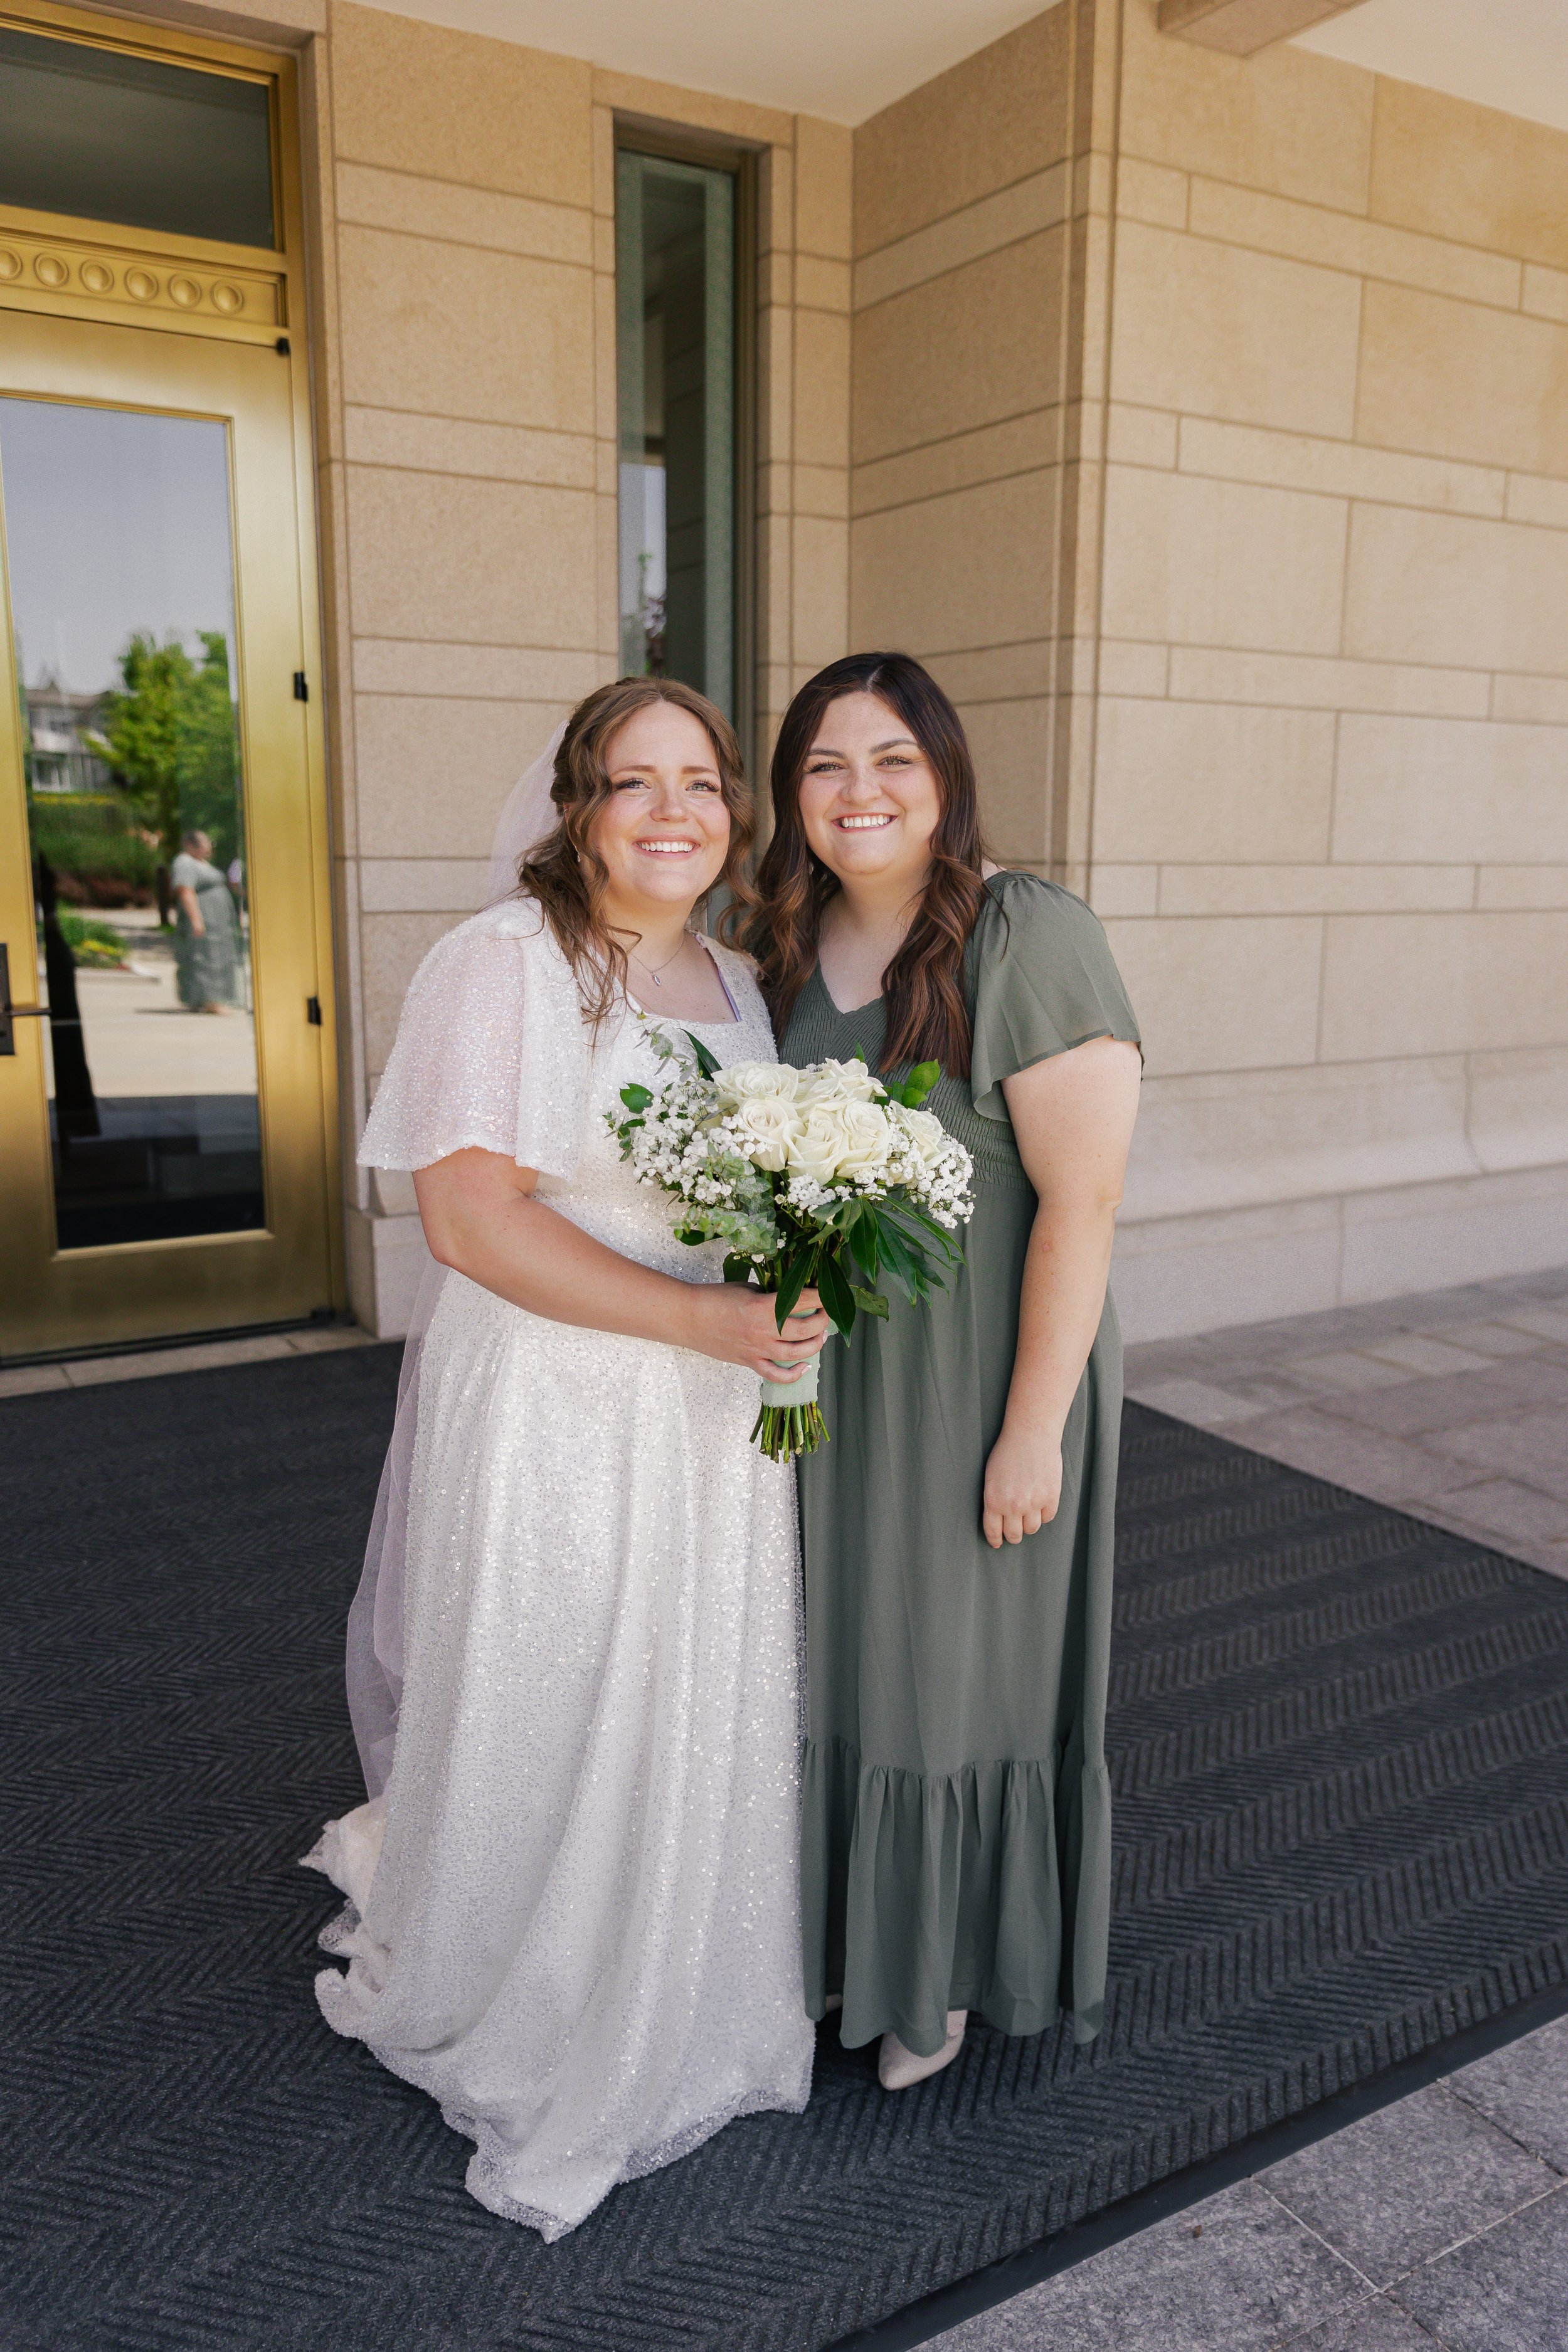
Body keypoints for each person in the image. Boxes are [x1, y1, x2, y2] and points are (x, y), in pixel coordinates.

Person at [305, 678, 826, 2237]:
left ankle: (680, 1958)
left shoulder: (737, 980)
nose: (675, 811)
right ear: (574, 807)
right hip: (559, 1395)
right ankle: (526, 1970)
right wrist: (705, 1320)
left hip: (708, 1404)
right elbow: (468, 1220)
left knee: (680, 1680)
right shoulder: (507, 963)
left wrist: (788, 1292)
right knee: (555, 1673)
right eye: (633, 782)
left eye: (703, 781)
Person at [748, 652, 1142, 2092]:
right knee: (846, 1654)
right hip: (838, 1383)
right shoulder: (782, 951)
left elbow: (1082, 1200)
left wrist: (1033, 1428)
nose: (860, 790)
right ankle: (854, 1931)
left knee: (949, 1675)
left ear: (945, 775)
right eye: (825, 764)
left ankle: (943, 1974)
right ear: (793, 796)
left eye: (892, 757)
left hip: (985, 1371)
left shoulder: (1025, 930)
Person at [169, 828, 241, 1012]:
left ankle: (208, 999)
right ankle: (211, 1001)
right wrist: (196, 919)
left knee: (216, 956)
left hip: (216, 922)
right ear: (190, 845)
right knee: (206, 958)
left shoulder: (201, 863)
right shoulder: (184, 862)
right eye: (204, 843)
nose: (208, 847)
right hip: (204, 918)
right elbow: (186, 891)